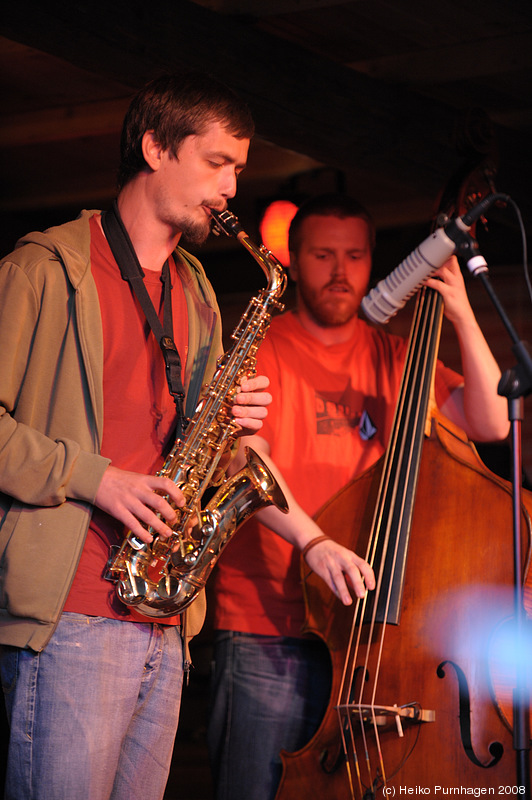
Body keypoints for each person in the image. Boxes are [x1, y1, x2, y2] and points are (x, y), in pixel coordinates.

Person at [0, 76, 373, 800]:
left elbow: (204, 451)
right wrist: (96, 477)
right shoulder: (43, 269)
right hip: (70, 614)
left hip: (164, 619)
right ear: (154, 148)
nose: (231, 187)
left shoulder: (196, 288)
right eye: (218, 163)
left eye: (237, 167)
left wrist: (238, 439)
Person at [207, 193, 510, 800]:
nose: (340, 271)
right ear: (293, 259)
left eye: (354, 255)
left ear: (373, 261)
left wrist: (460, 313)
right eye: (322, 254)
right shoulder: (265, 349)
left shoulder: (398, 357)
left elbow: (492, 423)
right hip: (269, 628)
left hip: (370, 638)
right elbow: (245, 458)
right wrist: (314, 541)